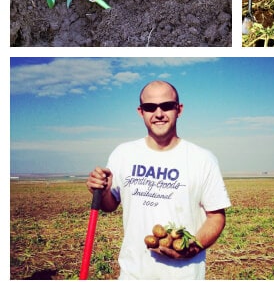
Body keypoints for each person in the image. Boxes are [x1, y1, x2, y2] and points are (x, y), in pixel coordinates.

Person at [86, 80, 230, 280]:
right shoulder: (123, 154)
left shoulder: (202, 159)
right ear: (140, 112)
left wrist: (191, 248)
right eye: (150, 107)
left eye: (167, 106)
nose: (159, 113)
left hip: (185, 277)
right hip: (132, 275)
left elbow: (216, 217)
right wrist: (100, 191)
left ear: (179, 110)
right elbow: (109, 206)